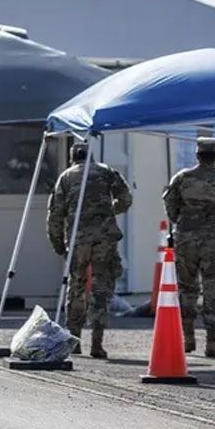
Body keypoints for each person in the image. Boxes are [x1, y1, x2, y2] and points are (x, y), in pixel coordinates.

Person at [46, 141, 133, 358]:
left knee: (76, 287)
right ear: (91, 156)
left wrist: (58, 244)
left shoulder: (66, 177)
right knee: (101, 288)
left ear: (72, 157)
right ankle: (97, 343)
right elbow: (126, 198)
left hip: (78, 239)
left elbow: (55, 214)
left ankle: (74, 340)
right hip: (104, 238)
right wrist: (111, 210)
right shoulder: (106, 172)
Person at [163, 136, 215, 357]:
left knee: (187, 289)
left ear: (198, 156)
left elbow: (170, 206)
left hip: (186, 240)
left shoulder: (182, 178)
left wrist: (181, 225)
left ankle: (188, 337)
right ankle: (212, 342)